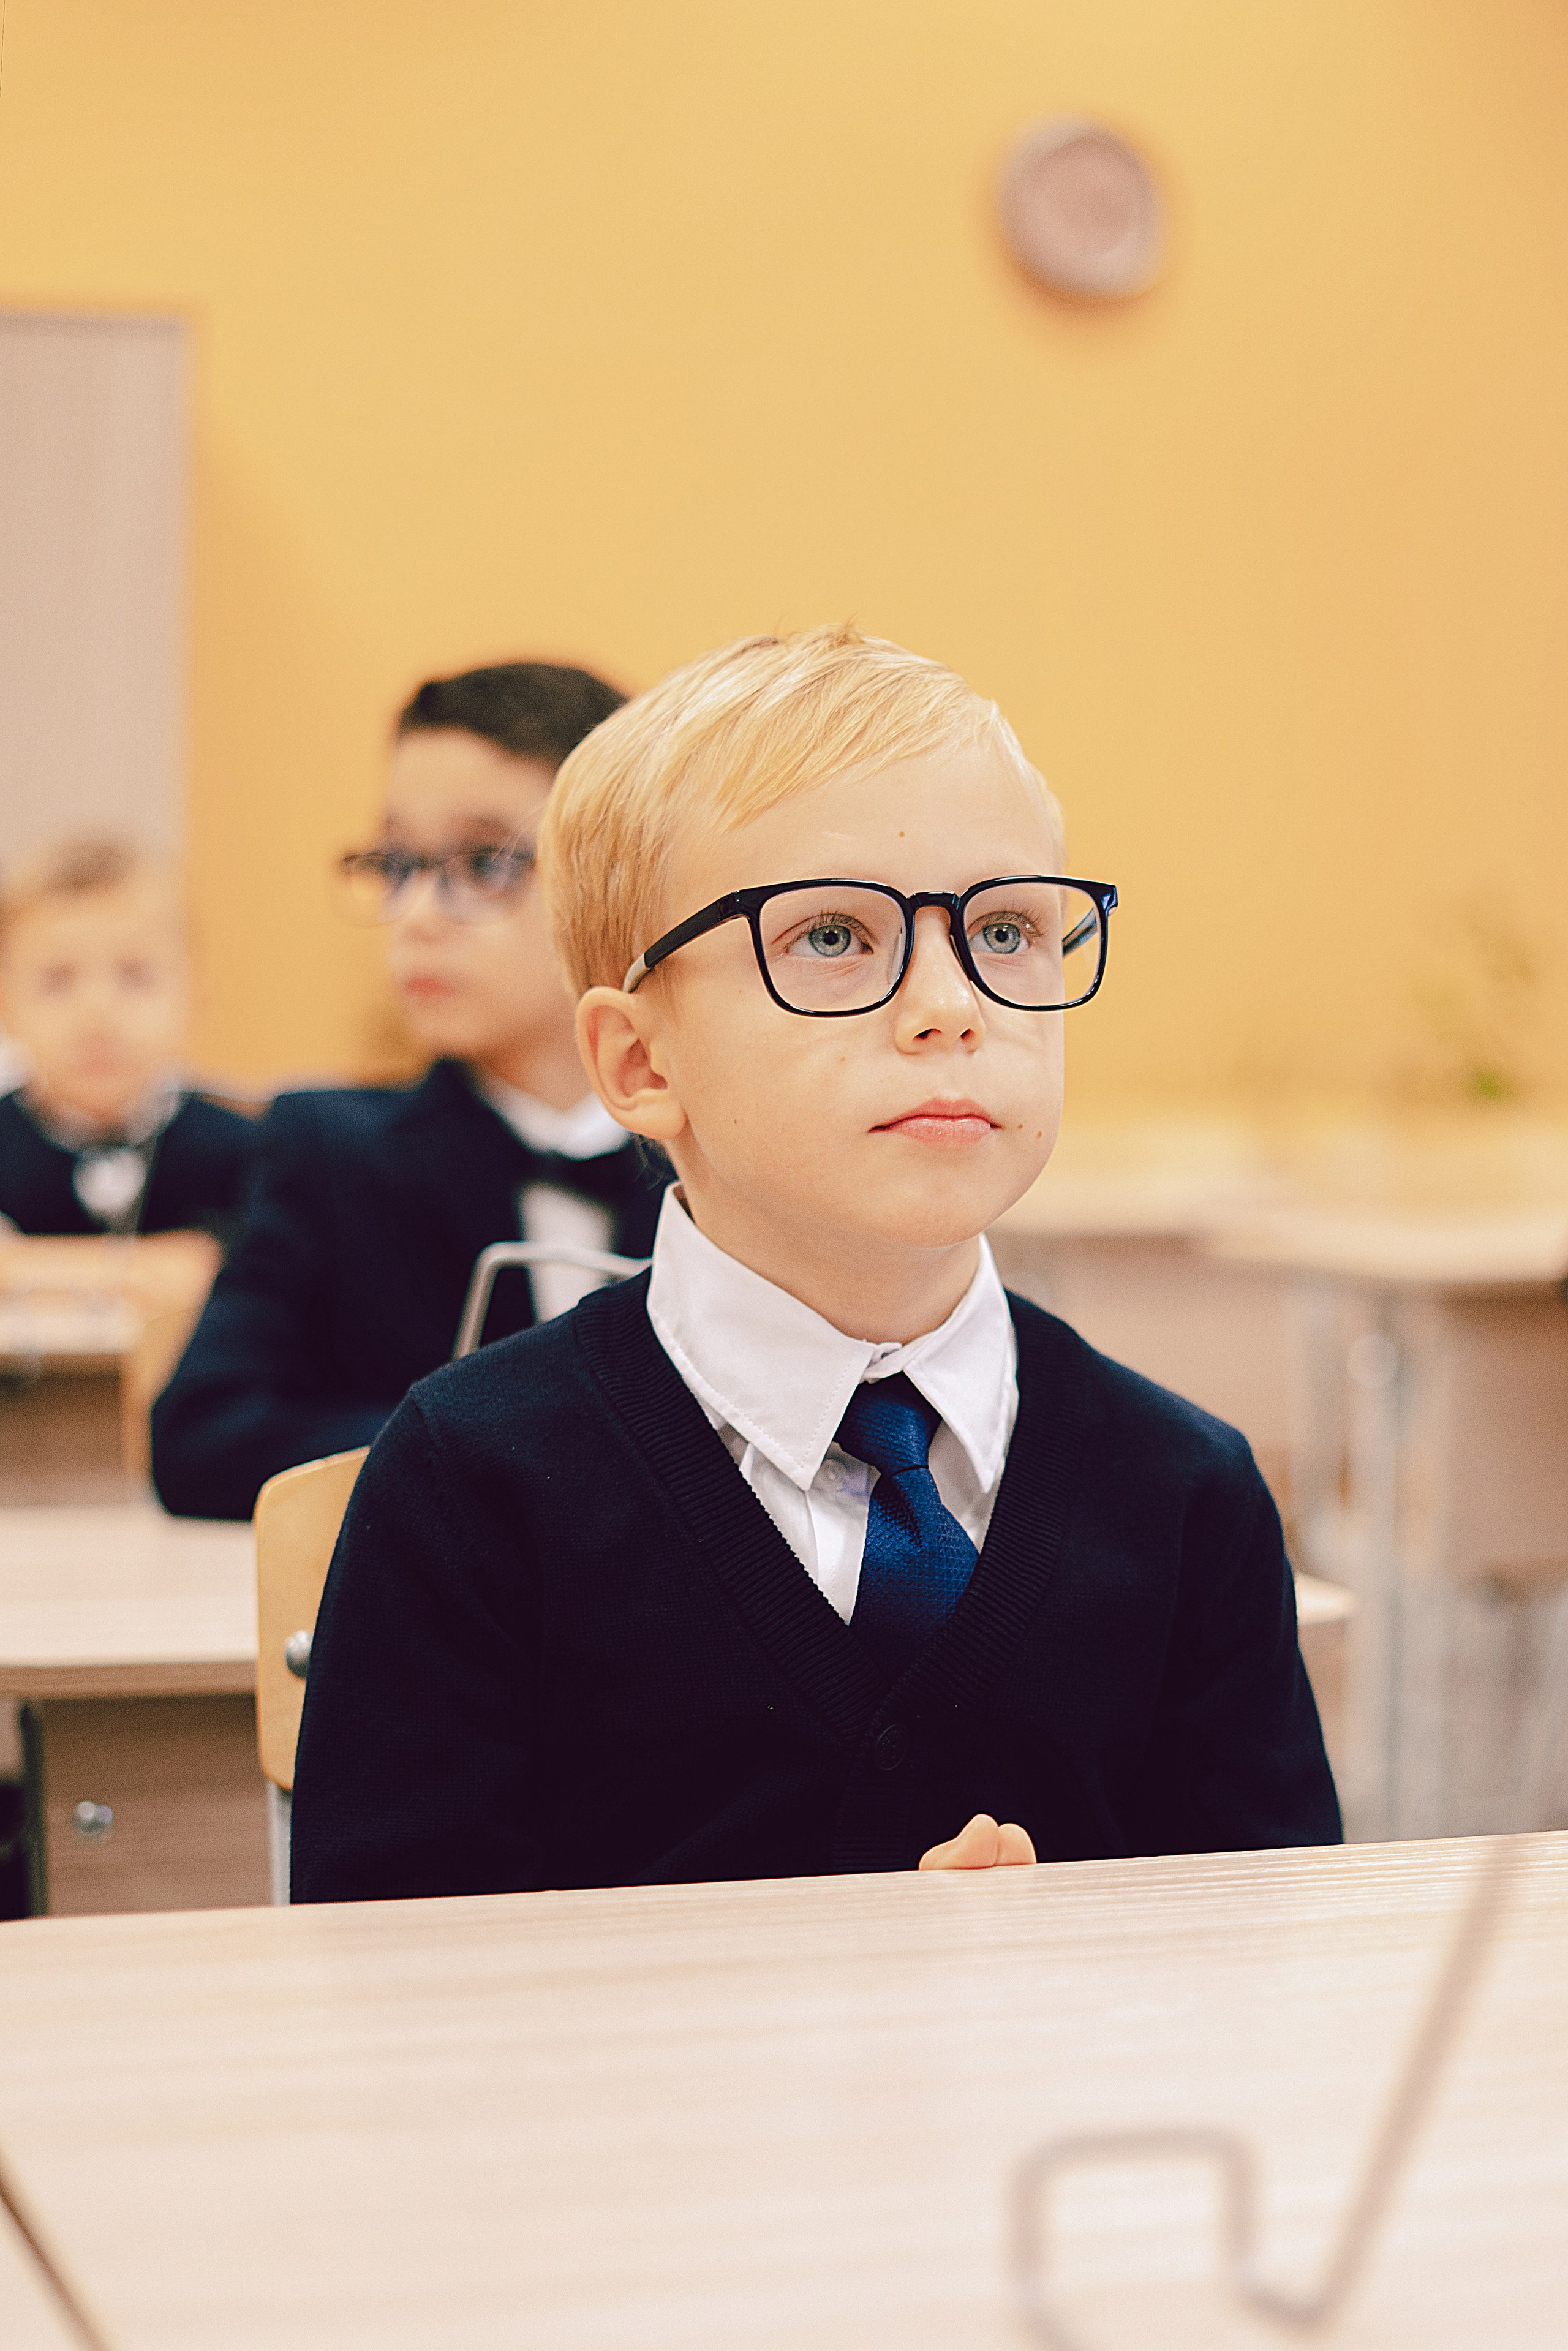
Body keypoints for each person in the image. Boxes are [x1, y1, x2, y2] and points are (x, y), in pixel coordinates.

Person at [290, 624, 1340, 1901]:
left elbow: (1278, 1983)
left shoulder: (1187, 1491)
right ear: (639, 1063)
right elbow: (389, 2007)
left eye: (1004, 929)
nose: (952, 1001)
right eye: (833, 938)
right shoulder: (470, 1484)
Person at [151, 661, 664, 1523]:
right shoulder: (326, 1147)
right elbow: (201, 1440)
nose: (420, 912)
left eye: (482, 861)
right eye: (397, 862)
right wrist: (510, 1443)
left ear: (618, 882)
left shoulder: (727, 1154)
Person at [0, 839, 254, 1240]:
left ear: (192, 1001)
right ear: (6, 1007)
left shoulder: (242, 1154)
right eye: (56, 980)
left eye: (135, 976)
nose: (97, 1012)